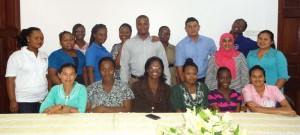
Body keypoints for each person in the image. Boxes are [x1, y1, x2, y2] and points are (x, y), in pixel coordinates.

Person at [6, 27, 48, 113]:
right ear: (28, 38)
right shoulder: (16, 56)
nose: (39, 41)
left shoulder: (44, 55)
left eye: (42, 38)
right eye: (36, 38)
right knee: (26, 126)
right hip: (24, 101)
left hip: (43, 99)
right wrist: (12, 101)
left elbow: (46, 76)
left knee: (41, 125)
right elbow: (10, 80)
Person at [120, 15, 171, 87]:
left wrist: (167, 84)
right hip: (135, 82)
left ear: (149, 25)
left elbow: (164, 65)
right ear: (136, 25)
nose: (142, 26)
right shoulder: (128, 44)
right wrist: (124, 86)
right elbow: (124, 66)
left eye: (145, 24)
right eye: (139, 24)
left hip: (154, 82)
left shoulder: (157, 43)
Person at [175, 17, 216, 83]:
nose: (192, 29)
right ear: (185, 29)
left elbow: (216, 59)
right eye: (189, 27)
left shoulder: (209, 41)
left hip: (207, 77)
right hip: (189, 79)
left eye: (195, 26)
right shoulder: (180, 45)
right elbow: (179, 66)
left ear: (199, 27)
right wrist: (183, 83)